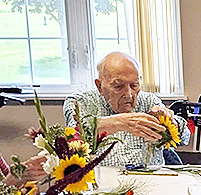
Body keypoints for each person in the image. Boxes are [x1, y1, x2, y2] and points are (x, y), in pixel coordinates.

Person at [63, 52, 191, 167]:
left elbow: (185, 138)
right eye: (119, 86)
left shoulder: (149, 101)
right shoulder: (79, 102)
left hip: (150, 180)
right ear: (99, 85)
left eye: (134, 85)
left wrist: (173, 124)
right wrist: (120, 122)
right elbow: (74, 136)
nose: (129, 94)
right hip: (102, 185)